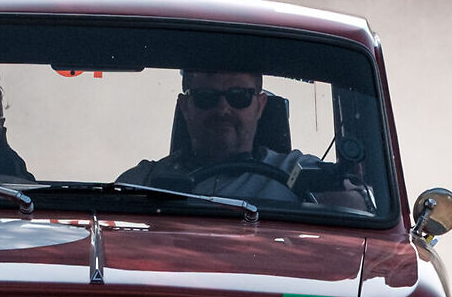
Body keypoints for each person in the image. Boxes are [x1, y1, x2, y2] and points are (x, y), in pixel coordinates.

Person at [115, 70, 310, 204]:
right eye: (206, 96)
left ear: (260, 105)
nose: (223, 109)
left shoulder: (300, 174)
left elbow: (341, 197)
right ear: (185, 107)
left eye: (238, 96)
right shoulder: (143, 183)